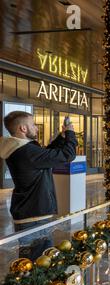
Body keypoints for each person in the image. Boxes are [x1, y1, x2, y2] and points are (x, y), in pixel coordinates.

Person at [0, 111, 77, 260]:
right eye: (33, 125)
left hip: (31, 213)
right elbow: (68, 155)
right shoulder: (26, 152)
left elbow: (46, 153)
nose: (36, 128)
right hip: (34, 216)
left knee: (32, 262)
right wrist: (70, 134)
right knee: (38, 264)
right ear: (23, 128)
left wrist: (62, 137)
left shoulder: (21, 149)